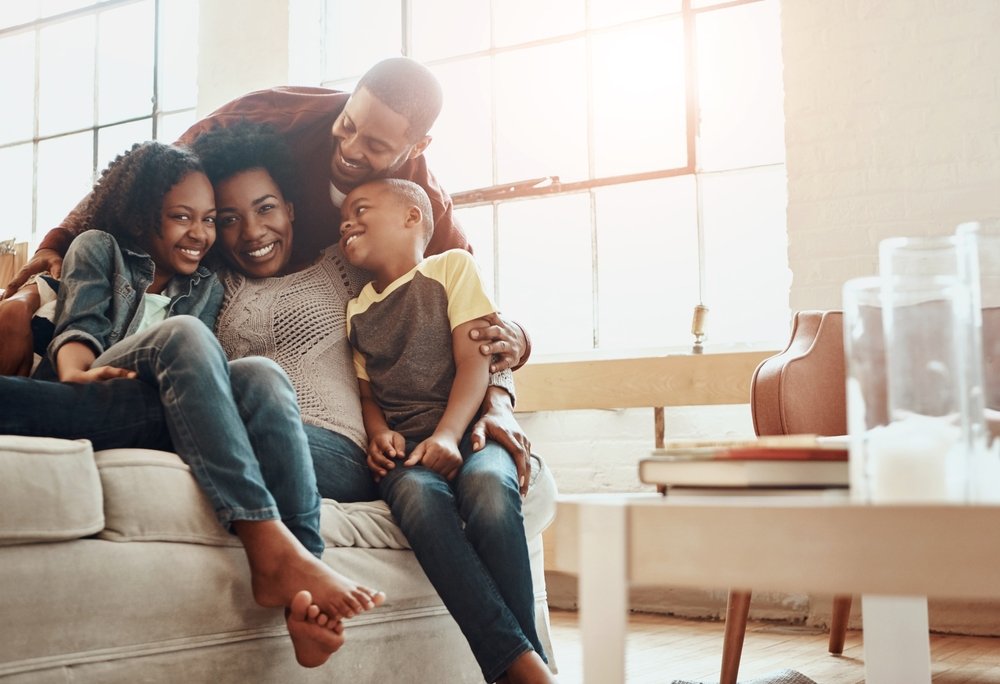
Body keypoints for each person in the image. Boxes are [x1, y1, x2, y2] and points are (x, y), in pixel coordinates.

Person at [35, 139, 383, 668]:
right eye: (184, 217)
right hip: (96, 383)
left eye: (207, 221)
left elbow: (425, 284)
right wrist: (75, 371)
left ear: (289, 208)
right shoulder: (102, 247)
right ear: (142, 216)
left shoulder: (206, 285)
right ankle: (271, 545)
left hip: (168, 404)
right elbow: (80, 325)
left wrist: (503, 359)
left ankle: (300, 588)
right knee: (186, 337)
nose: (202, 233)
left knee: (262, 374)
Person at [1, 57, 530, 385]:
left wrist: (515, 348)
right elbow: (153, 171)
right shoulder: (278, 113)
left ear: (417, 146)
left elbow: (474, 312)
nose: (347, 148)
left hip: (305, 328)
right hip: (205, 279)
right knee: (23, 313)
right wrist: (60, 239)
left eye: (374, 145)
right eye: (348, 124)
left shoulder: (420, 205)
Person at [340, 178, 554, 684]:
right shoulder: (356, 311)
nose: (347, 221)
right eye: (343, 216)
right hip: (409, 452)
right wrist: (378, 434)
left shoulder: (452, 267)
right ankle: (530, 671)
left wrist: (447, 434)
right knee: (414, 496)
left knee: (489, 488)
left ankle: (521, 671)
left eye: (361, 209)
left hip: (474, 431)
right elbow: (369, 395)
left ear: (412, 217)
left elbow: (474, 361)